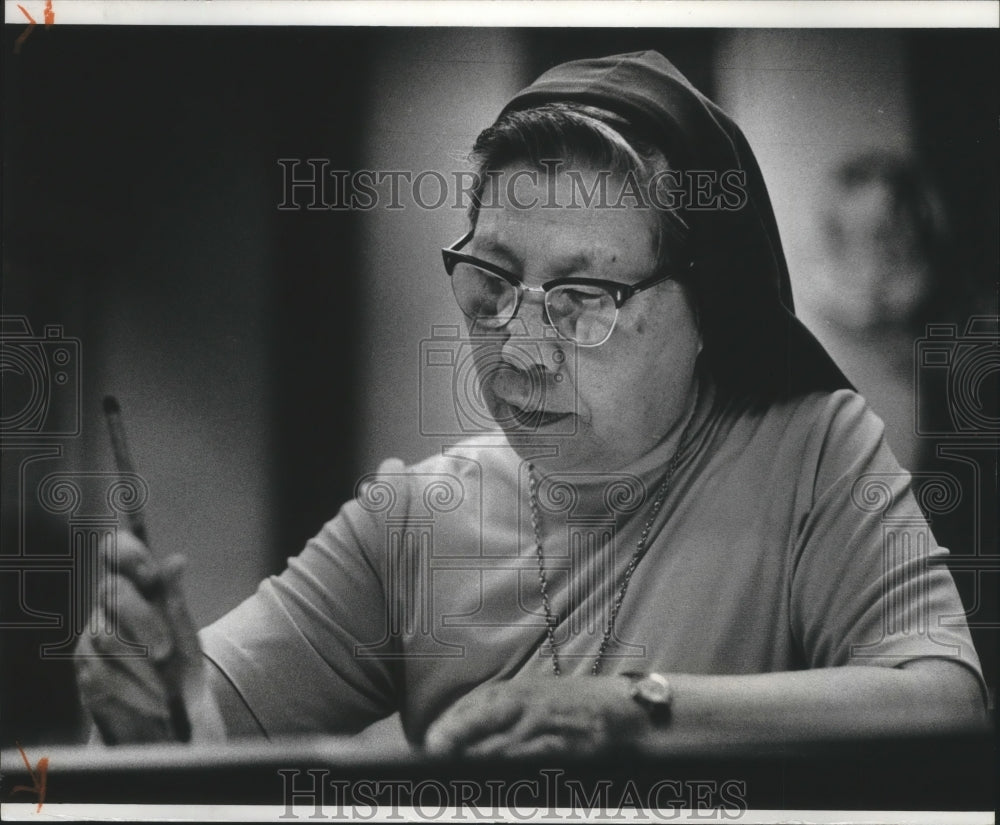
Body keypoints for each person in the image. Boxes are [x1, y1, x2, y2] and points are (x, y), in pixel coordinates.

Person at [75, 51, 988, 756]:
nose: (515, 348)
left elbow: (945, 699)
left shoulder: (812, 453)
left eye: (583, 297)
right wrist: (153, 709)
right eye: (492, 279)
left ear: (709, 307)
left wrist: (638, 710)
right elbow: (201, 730)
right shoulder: (414, 518)